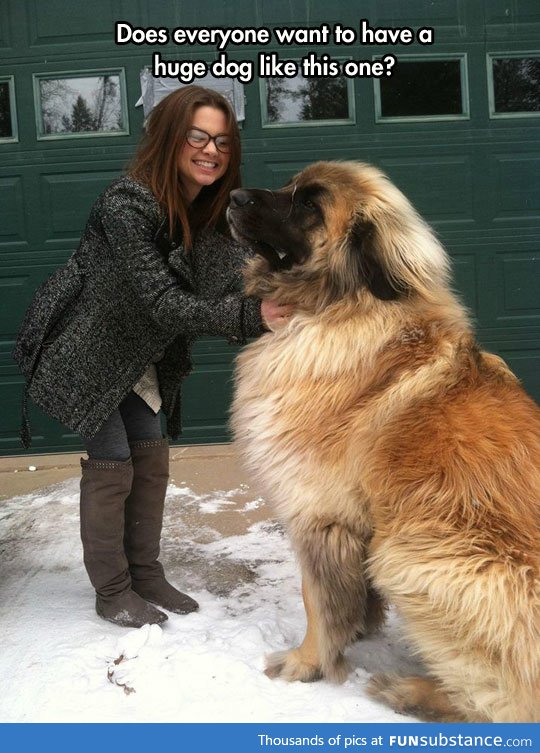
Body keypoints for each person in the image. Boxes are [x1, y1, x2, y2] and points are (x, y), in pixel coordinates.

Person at [12, 85, 292, 628]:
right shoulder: (126, 205)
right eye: (198, 137)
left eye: (223, 142)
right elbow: (163, 302)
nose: (211, 150)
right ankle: (113, 590)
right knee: (114, 462)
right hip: (87, 352)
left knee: (151, 455)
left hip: (139, 356)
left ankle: (145, 573)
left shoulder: (204, 211)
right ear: (170, 138)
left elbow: (239, 272)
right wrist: (252, 317)